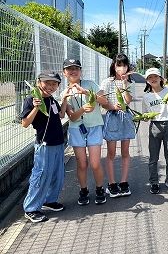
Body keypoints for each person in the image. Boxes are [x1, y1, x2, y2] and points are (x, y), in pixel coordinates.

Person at [20, 72, 68, 223]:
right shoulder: (31, 99)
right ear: (39, 82)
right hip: (44, 144)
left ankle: (49, 200)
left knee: (57, 175)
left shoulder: (52, 99)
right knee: (41, 176)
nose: (51, 86)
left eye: (54, 84)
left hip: (59, 143)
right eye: (47, 83)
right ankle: (31, 208)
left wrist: (65, 99)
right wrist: (36, 107)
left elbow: (61, 115)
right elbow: (25, 123)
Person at [62, 59, 108, 205]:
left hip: (94, 127)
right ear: (64, 73)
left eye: (76, 68)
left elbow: (104, 101)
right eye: (69, 69)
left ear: (81, 71)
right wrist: (82, 109)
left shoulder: (90, 84)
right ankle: (83, 190)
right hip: (77, 129)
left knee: (95, 163)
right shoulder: (65, 93)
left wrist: (86, 92)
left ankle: (100, 189)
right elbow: (72, 117)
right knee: (81, 164)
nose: (73, 71)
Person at [100, 54, 135, 198]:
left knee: (125, 152)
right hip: (112, 117)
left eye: (125, 65)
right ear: (114, 66)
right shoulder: (107, 82)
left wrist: (125, 84)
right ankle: (112, 183)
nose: (122, 68)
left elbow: (128, 101)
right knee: (111, 153)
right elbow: (101, 99)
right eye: (119, 65)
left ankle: (124, 182)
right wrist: (112, 106)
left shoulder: (129, 83)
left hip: (125, 117)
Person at [142, 67, 168, 194]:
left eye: (155, 76)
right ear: (147, 81)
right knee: (153, 158)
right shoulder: (146, 97)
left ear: (160, 78)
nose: (153, 79)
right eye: (150, 77)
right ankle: (154, 182)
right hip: (154, 126)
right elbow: (145, 116)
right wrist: (144, 117)